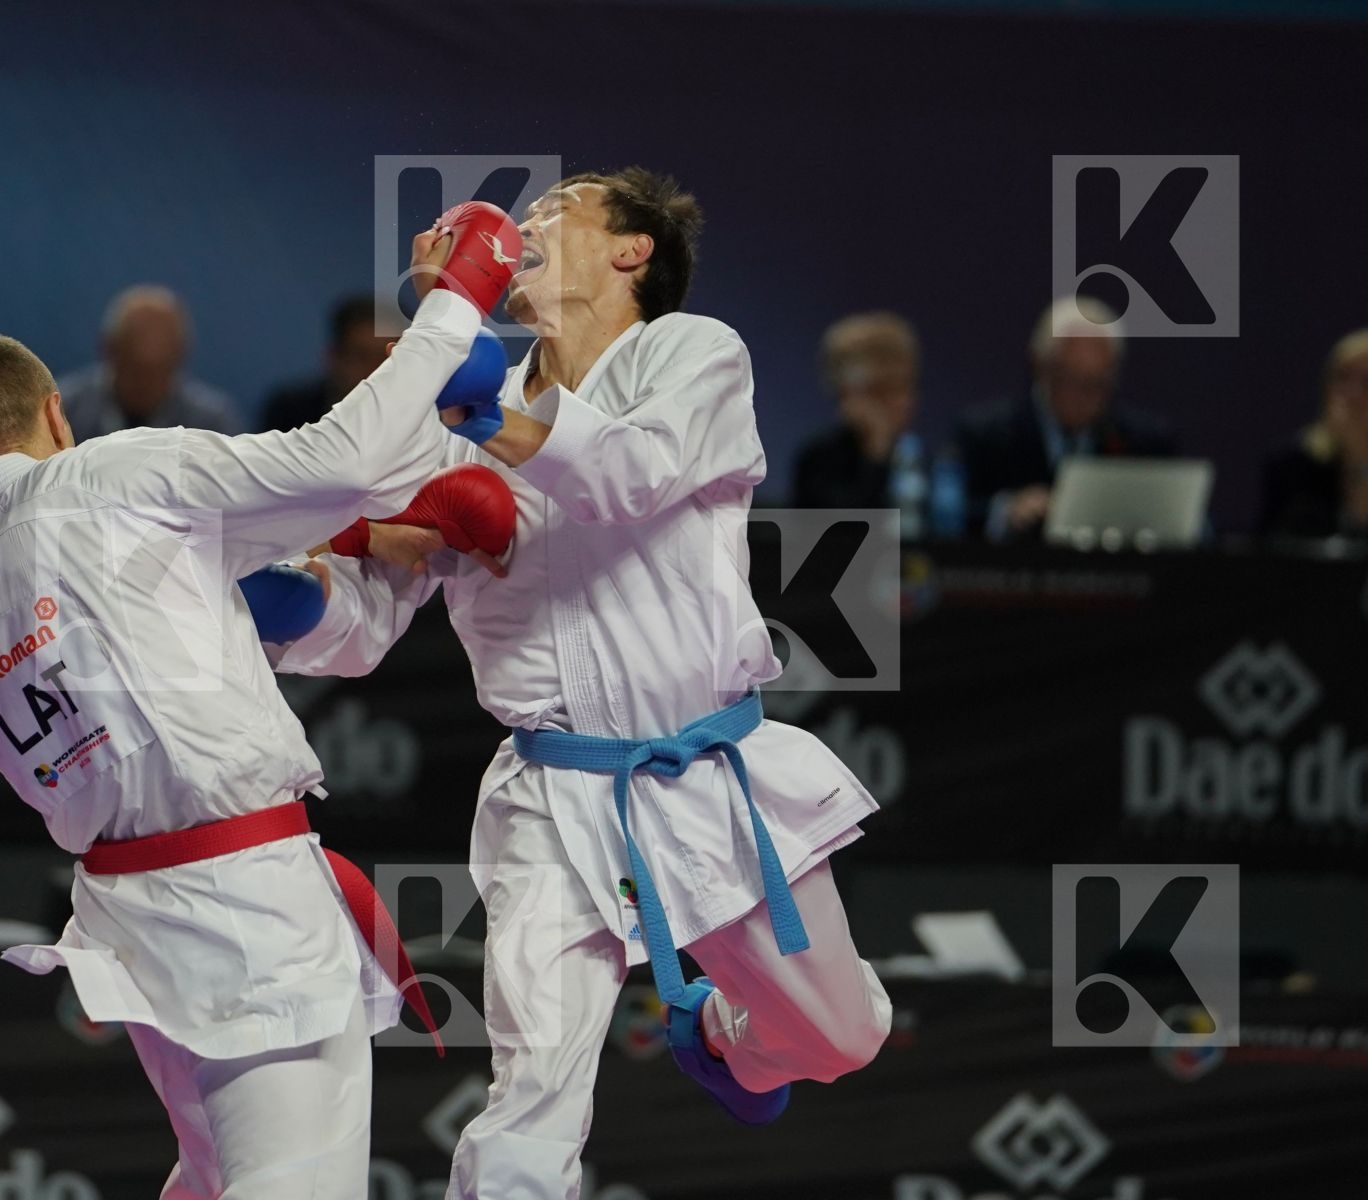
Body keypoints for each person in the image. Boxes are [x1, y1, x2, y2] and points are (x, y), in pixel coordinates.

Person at [277, 168, 890, 1199]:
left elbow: (631, 472)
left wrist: (481, 417)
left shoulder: (693, 354)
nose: (524, 228)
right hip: (552, 796)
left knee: (842, 1035)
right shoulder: (454, 412)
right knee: (533, 1098)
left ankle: (728, 1041)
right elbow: (367, 618)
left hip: (709, 769)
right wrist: (282, 599)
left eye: (557, 212)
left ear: (632, 249)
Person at [0, 211, 513, 1200]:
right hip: (243, 908)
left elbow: (202, 603)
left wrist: (355, 554)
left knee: (212, 1176)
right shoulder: (106, 474)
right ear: (59, 413)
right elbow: (343, 458)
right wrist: (458, 305)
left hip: (133, 912)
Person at [956, 296, 1175, 540]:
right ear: (1040, 367)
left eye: (1098, 384)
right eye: (1071, 379)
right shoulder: (986, 436)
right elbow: (952, 516)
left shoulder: (1145, 443)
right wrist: (1005, 511)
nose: (1085, 397)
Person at [58, 284, 241, 438]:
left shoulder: (210, 427)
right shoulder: (62, 413)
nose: (146, 385)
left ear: (180, 358)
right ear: (108, 351)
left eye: (160, 371)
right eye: (136, 371)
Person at [790, 311, 924, 511]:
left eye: (906, 386)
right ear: (847, 396)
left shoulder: (921, 461)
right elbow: (849, 532)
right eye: (883, 391)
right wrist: (876, 453)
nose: (902, 401)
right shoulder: (818, 460)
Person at [1261, 328, 1368, 539]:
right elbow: (1267, 549)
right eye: (1342, 378)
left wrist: (1359, 455)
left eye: (1367, 382)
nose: (1352, 394)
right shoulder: (1293, 466)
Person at [259, 295, 398, 432]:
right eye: (362, 357)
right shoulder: (290, 413)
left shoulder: (416, 421)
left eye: (386, 358)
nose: (375, 369)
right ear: (334, 357)